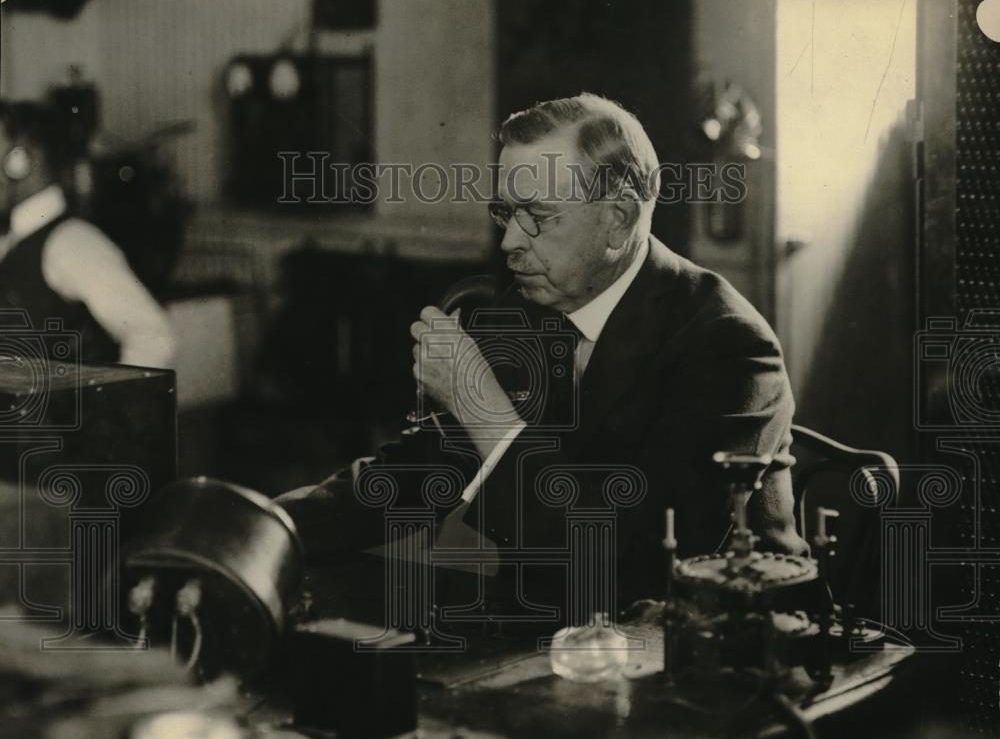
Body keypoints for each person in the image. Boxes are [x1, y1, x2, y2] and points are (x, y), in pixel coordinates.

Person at [277, 93, 808, 619]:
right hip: (562, 614)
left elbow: (641, 558)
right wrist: (264, 528)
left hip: (725, 643)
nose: (509, 241)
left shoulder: (725, 344)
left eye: (538, 216)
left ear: (619, 220)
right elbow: (425, 468)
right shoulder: (535, 305)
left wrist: (483, 410)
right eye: (508, 212)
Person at [0, 100, 176, 368]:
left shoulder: (70, 243)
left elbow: (154, 337)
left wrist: (104, 406)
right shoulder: (11, 241)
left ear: (22, 159)